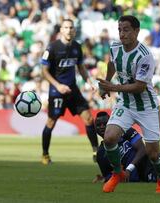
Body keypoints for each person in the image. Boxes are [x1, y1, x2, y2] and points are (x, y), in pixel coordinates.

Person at [97, 15, 160, 193]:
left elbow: (139, 86)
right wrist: (106, 83)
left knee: (153, 154)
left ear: (136, 31)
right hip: (125, 104)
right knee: (109, 138)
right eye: (120, 29)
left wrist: (112, 86)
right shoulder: (115, 47)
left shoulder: (145, 56)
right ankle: (118, 173)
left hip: (147, 107)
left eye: (126, 29)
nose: (122, 33)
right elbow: (112, 63)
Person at [40, 19, 98, 165]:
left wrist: (89, 81)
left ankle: (96, 152)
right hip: (57, 91)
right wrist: (58, 86)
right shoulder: (52, 48)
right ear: (61, 30)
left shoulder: (77, 47)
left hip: (73, 90)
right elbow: (44, 72)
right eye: (66, 27)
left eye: (71, 27)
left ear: (74, 30)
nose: (69, 30)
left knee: (89, 119)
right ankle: (45, 155)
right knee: (51, 121)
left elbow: (81, 67)